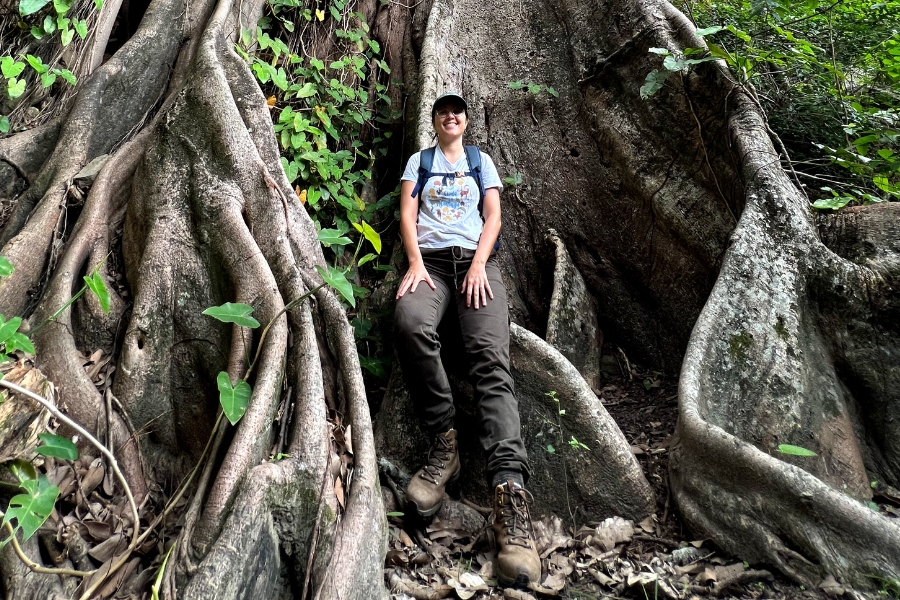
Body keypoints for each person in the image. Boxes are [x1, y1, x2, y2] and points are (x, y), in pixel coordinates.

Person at [394, 92, 540, 588]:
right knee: (412, 324)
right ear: (434, 122)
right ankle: (445, 444)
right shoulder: (420, 161)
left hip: (477, 265)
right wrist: (415, 263)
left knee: (491, 362)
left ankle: (510, 499)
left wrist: (479, 263)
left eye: (457, 111)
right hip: (431, 265)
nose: (451, 116)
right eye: (442, 112)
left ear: (466, 121)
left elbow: (494, 216)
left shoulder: (481, 161)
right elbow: (407, 214)